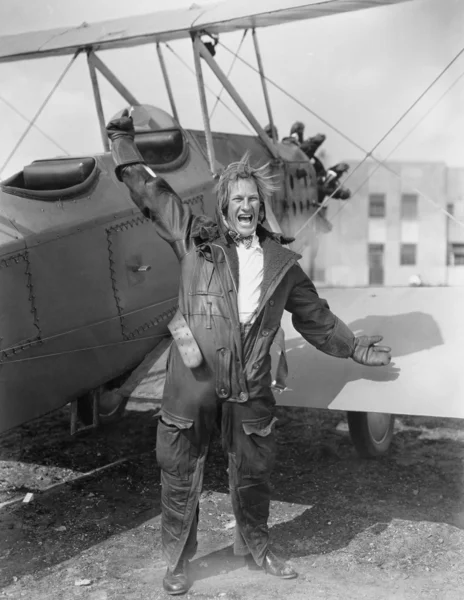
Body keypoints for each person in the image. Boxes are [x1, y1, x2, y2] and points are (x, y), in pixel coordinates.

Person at [106, 111, 392, 596]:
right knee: (179, 472)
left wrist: (354, 348)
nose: (245, 206)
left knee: (253, 474)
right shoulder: (193, 236)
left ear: (261, 208)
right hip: (191, 382)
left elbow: (316, 318)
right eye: (236, 199)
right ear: (223, 207)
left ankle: (258, 549)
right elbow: (152, 193)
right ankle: (177, 562)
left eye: (252, 200)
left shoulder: (283, 264)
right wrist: (121, 143)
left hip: (250, 383)